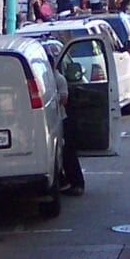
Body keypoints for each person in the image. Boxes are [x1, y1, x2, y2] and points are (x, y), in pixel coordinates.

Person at [40, 40, 83, 195]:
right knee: (58, 153)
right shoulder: (46, 79)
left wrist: (51, 99)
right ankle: (64, 181)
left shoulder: (58, 79)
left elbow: (63, 99)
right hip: (51, 121)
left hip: (61, 120)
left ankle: (77, 183)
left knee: (68, 152)